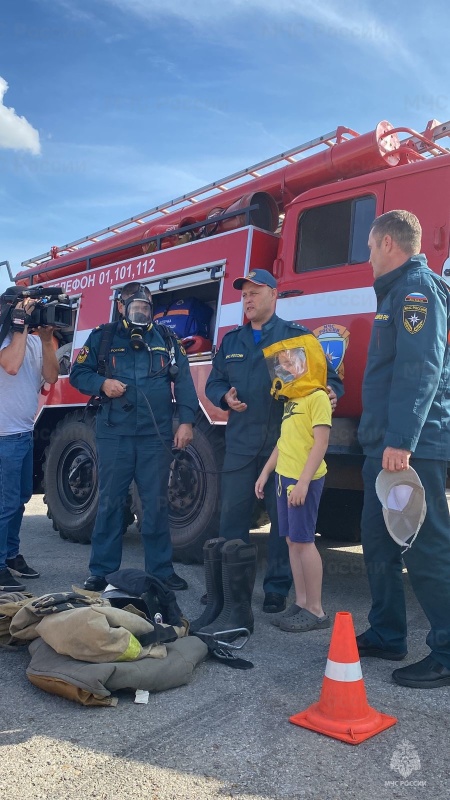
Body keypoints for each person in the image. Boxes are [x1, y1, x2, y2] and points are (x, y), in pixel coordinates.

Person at [205, 269, 343, 613]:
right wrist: (225, 397)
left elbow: (330, 379)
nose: (247, 300)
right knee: (232, 517)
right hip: (240, 443)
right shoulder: (232, 340)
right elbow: (213, 383)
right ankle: (228, 586)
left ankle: (277, 588)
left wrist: (331, 393)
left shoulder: (295, 339)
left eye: (254, 293)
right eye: (244, 295)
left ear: (273, 295)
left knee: (283, 522)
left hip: (283, 445)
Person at [357, 209, 450, 688]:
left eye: (371, 247)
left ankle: (448, 652)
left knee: (426, 545)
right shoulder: (393, 294)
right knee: (377, 540)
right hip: (385, 445)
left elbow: (421, 368)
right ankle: (388, 633)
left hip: (413, 446)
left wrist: (401, 441)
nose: (368, 257)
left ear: (389, 243)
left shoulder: (416, 292)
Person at [69, 282, 199, 593]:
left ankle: (161, 572)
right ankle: (101, 572)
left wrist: (187, 423)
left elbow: (184, 385)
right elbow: (78, 374)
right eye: (134, 303)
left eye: (147, 303)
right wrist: (102, 384)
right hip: (115, 435)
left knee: (155, 504)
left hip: (154, 437)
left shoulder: (167, 338)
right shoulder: (103, 337)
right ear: (121, 306)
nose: (141, 307)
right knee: (111, 503)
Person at [255, 336, 331, 631]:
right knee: (290, 540)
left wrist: (301, 484)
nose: (286, 368)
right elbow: (282, 443)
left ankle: (317, 610)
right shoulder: (293, 400)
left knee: (304, 541)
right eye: (283, 364)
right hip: (283, 478)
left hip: (303, 481)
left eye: (292, 362)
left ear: (308, 361)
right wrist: (265, 473)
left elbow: (320, 445)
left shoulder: (317, 397)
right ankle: (300, 603)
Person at [0, 287, 59, 592]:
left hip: (23, 432)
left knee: (20, 500)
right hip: (3, 436)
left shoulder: (35, 341)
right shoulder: (4, 337)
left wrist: (47, 341)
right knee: (5, 503)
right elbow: (10, 365)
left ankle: (10, 554)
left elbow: (51, 376)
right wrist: (19, 327)